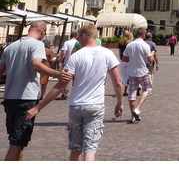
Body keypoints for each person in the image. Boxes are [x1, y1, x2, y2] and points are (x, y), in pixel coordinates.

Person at [24, 23, 123, 161]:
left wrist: (38, 107)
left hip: (76, 105)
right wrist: (119, 103)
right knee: (90, 149)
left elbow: (60, 86)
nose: (78, 41)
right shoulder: (107, 54)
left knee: (75, 148)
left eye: (78, 38)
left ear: (84, 36)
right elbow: (118, 82)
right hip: (95, 105)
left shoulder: (76, 56)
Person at [0, 20, 63, 161]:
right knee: (17, 142)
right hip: (26, 97)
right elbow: (36, 65)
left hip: (10, 97)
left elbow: (0, 71)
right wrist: (57, 74)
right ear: (43, 30)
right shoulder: (37, 44)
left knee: (16, 141)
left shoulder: (10, 47)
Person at [122, 27, 155, 123]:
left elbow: (124, 59)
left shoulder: (130, 45)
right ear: (143, 35)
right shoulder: (145, 45)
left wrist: (132, 60)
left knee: (132, 94)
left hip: (132, 72)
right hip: (142, 71)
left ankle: (133, 115)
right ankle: (138, 108)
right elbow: (150, 60)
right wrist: (152, 54)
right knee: (147, 89)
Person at [57, 32, 78, 99]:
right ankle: (76, 93)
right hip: (77, 63)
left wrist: (60, 61)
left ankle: (65, 94)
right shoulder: (79, 43)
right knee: (76, 79)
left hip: (67, 63)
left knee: (65, 78)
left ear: (70, 36)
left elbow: (64, 52)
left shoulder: (67, 43)